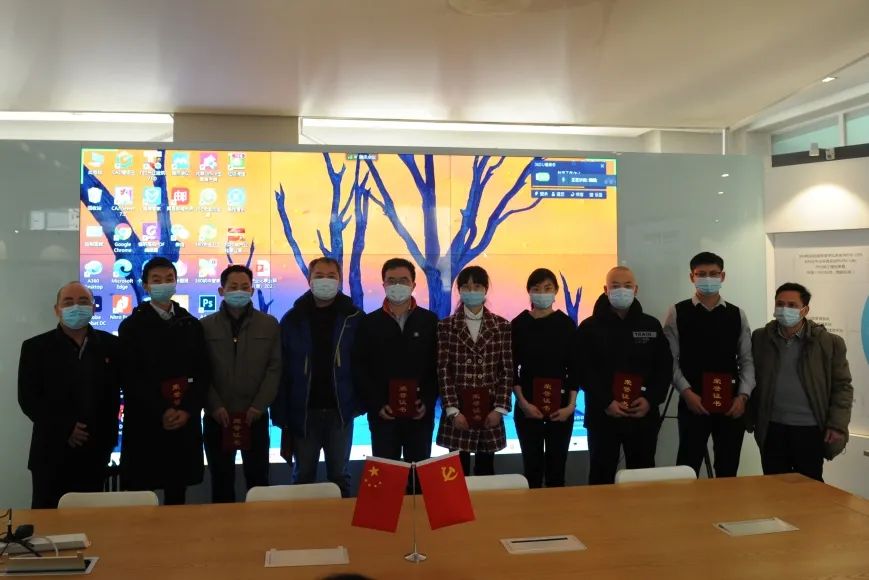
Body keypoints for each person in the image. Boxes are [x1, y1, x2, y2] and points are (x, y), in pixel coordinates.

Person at [17, 282, 122, 509]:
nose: (76, 307)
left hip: (96, 451)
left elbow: (115, 395)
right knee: (48, 518)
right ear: (57, 310)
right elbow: (29, 399)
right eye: (68, 302)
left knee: (91, 519)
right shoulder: (35, 348)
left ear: (93, 307)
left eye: (83, 301)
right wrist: (66, 429)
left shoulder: (112, 346)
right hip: (51, 451)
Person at [118, 257, 210, 505]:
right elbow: (130, 376)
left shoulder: (190, 324)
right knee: (142, 496)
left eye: (169, 279)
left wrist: (187, 410)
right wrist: (162, 410)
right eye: (156, 280)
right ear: (146, 286)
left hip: (183, 419)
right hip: (146, 420)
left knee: (177, 493)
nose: (163, 284)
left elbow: (203, 372)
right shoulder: (131, 326)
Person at [271, 257, 364, 498]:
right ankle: (302, 523)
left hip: (340, 412)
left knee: (339, 476)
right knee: (303, 476)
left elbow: (363, 364)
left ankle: (341, 521)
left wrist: (359, 404)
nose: (325, 280)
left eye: (331, 276)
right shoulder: (292, 319)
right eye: (319, 275)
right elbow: (282, 369)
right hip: (304, 412)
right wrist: (281, 414)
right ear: (309, 279)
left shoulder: (354, 317)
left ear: (340, 280)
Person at [573, 266, 672, 485]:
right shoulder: (589, 328)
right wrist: (606, 402)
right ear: (605, 289)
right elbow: (583, 370)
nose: (622, 290)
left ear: (636, 289)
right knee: (601, 475)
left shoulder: (651, 325)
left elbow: (664, 367)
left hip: (642, 415)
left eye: (627, 286)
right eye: (615, 286)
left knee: (643, 476)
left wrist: (650, 400)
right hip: (603, 415)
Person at [748, 282, 853, 482]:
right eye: (780, 304)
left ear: (805, 310)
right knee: (774, 487)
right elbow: (751, 377)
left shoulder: (828, 343)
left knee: (809, 489)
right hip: (772, 428)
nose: (784, 309)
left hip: (809, 429)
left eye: (792, 305)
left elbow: (843, 387)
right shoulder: (760, 338)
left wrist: (837, 424)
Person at [663, 252, 754, 478]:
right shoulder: (677, 312)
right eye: (701, 274)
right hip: (692, 401)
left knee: (728, 468)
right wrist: (686, 393)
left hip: (731, 403)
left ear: (722, 276)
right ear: (691, 277)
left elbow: (747, 360)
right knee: (687, 468)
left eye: (713, 274)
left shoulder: (737, 314)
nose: (707, 278)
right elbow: (669, 360)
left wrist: (743, 397)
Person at [201, 265, 281, 503]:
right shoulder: (205, 326)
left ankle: (259, 526)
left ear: (252, 290)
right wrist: (214, 406)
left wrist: (259, 406)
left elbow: (274, 369)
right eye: (233, 287)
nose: (239, 291)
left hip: (254, 416)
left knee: (258, 482)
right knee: (221, 482)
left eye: (245, 287)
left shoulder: (269, 324)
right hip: (218, 417)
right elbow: (201, 372)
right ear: (221, 291)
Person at [354, 258, 438, 481]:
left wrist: (427, 401)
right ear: (383, 284)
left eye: (403, 280)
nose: (397, 285)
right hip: (383, 415)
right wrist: (376, 404)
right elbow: (361, 368)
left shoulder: (430, 321)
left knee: (418, 479)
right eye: (391, 280)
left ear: (413, 284)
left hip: (419, 415)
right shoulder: (369, 323)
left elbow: (436, 367)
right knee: (386, 479)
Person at [436, 265, 513, 476]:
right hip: (459, 411)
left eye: (477, 286)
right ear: (459, 290)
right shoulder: (446, 326)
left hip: (490, 411)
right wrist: (453, 410)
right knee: (456, 475)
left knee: (485, 472)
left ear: (485, 289)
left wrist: (499, 409)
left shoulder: (501, 326)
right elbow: (443, 370)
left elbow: (506, 370)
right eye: (466, 287)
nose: (471, 291)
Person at [511, 268, 577, 488]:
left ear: (556, 291)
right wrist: (523, 403)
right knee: (532, 470)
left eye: (547, 288)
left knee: (557, 471)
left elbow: (574, 369)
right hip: (528, 408)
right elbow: (511, 369)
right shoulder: (518, 324)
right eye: (536, 289)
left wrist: (570, 407)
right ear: (529, 292)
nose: (542, 293)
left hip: (561, 410)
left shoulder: (566, 324)